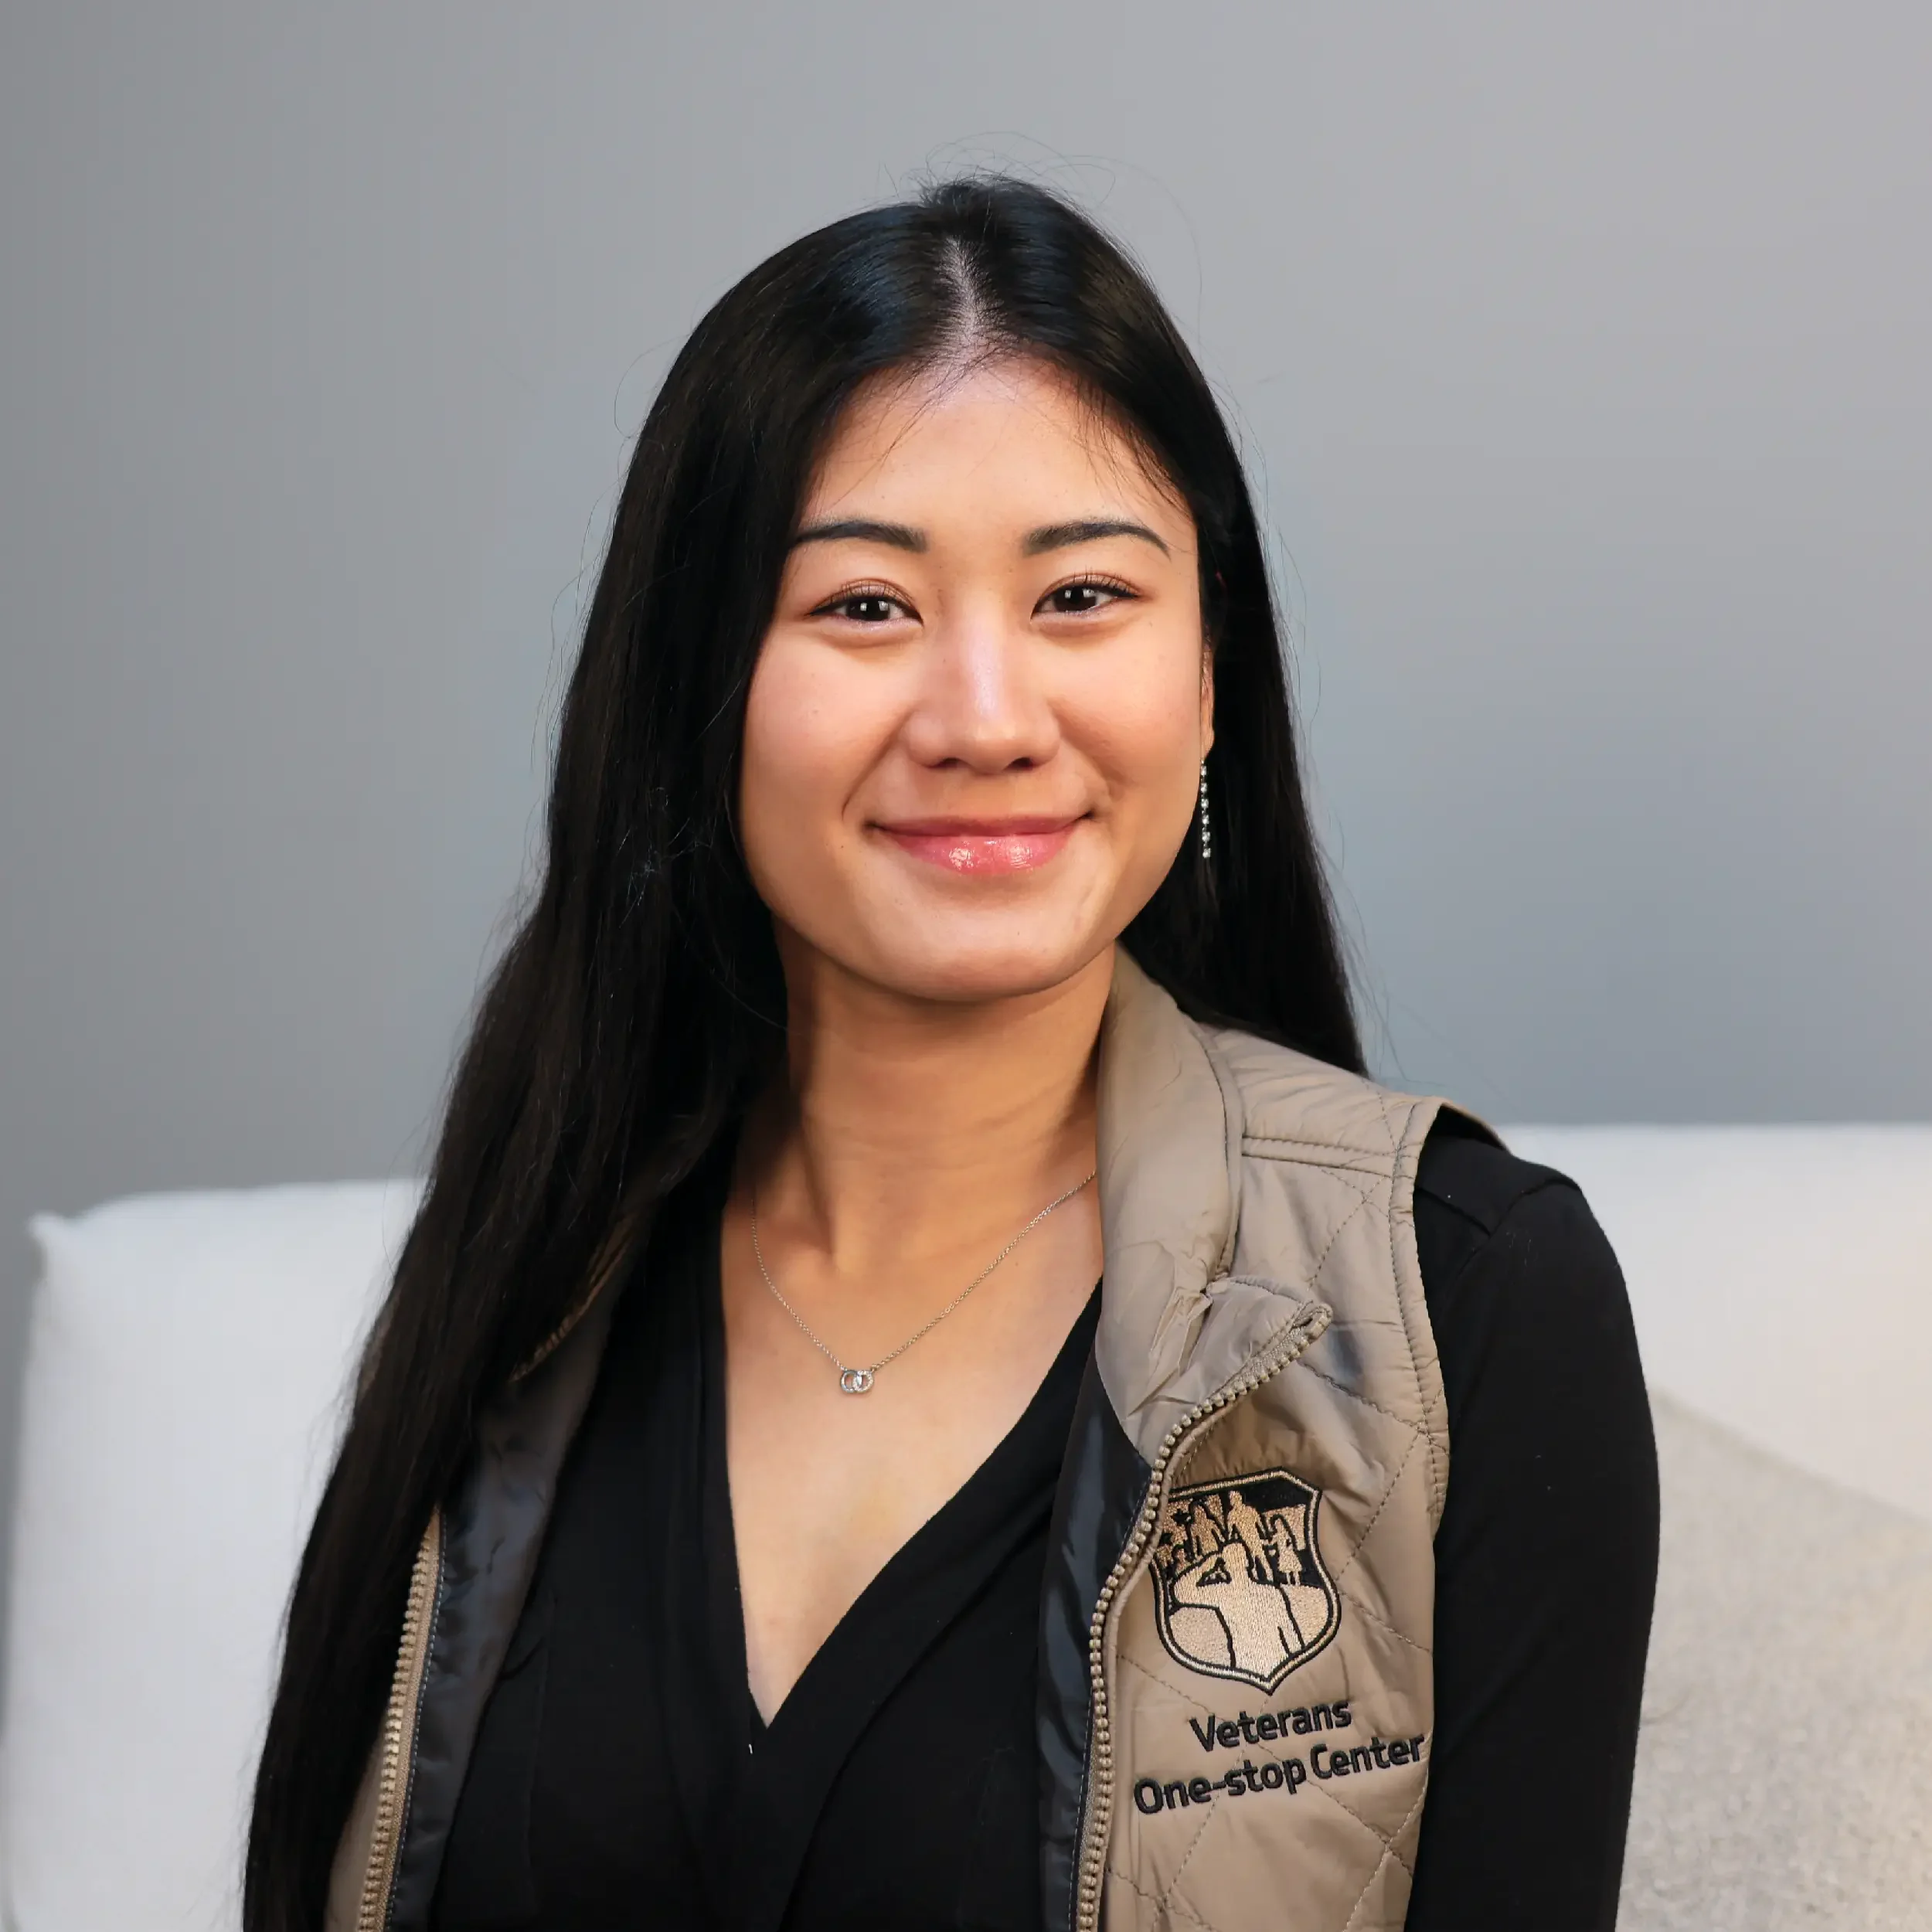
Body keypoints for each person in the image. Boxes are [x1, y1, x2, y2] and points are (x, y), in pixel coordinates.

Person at [244, 178, 1658, 1932]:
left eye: (1082, 594)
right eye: (864, 606)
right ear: (695, 689)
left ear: (1208, 679)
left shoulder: (1470, 1304)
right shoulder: (527, 1282)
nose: (985, 719)